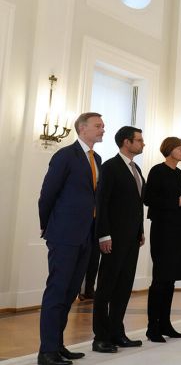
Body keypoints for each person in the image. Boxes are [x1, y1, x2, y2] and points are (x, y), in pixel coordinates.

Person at [37, 112, 104, 365]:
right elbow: (47, 195)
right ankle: (46, 352)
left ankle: (58, 344)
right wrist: (48, 227)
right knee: (57, 290)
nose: (102, 130)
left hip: (86, 235)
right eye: (98, 126)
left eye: (103, 126)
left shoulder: (96, 158)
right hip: (64, 234)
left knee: (70, 293)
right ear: (82, 128)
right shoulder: (65, 155)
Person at [92, 126, 146, 353]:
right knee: (106, 287)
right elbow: (101, 203)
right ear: (126, 142)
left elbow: (136, 204)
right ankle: (101, 337)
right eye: (139, 140)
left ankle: (117, 331)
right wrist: (104, 234)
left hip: (132, 238)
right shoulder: (110, 167)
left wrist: (141, 230)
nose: (143, 144)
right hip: (112, 238)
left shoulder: (136, 168)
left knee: (124, 287)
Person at [143, 137, 181, 342]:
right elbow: (148, 198)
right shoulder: (157, 171)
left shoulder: (179, 172)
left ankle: (166, 323)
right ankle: (152, 327)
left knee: (170, 279)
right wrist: (176, 201)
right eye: (180, 148)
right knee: (161, 279)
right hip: (162, 230)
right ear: (170, 150)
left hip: (178, 229)